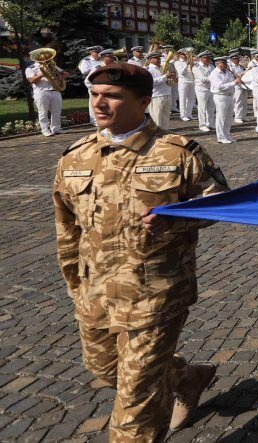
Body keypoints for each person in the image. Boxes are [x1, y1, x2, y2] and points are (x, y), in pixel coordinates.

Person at [54, 63, 226, 440]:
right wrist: (75, 285)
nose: (100, 103)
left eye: (112, 96)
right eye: (95, 94)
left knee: (135, 401)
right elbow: (67, 229)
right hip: (95, 293)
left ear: (144, 101)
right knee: (105, 369)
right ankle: (186, 375)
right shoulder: (75, 157)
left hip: (155, 293)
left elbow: (219, 203)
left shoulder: (178, 152)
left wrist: (176, 221)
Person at [25, 53, 70, 136]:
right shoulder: (31, 68)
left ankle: (56, 129)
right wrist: (43, 73)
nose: (45, 59)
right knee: (43, 112)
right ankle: (45, 130)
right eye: (43, 57)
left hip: (55, 90)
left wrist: (59, 75)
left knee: (57, 111)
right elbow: (31, 80)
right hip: (42, 92)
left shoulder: (52, 66)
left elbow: (66, 74)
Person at [208, 56, 240, 144]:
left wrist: (237, 80)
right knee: (221, 117)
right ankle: (221, 137)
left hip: (229, 96)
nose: (226, 65)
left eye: (226, 63)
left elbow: (230, 83)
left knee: (228, 117)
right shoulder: (214, 74)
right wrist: (234, 82)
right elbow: (220, 86)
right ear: (218, 64)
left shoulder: (227, 72)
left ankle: (227, 135)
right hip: (220, 96)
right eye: (224, 63)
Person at [144, 50, 174, 130]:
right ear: (150, 59)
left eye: (159, 58)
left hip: (167, 94)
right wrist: (165, 77)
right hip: (157, 96)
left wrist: (171, 78)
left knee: (165, 119)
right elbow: (151, 82)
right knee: (156, 119)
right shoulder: (148, 69)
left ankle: (164, 134)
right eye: (156, 58)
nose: (159, 59)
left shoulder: (162, 67)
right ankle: (155, 136)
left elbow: (166, 80)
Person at [78, 46, 103, 125]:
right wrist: (95, 67)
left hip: (102, 82)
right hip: (92, 82)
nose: (98, 54)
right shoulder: (86, 60)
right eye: (96, 52)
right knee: (93, 101)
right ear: (90, 52)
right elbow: (83, 71)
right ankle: (94, 121)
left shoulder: (102, 60)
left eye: (99, 52)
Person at [192, 51, 214, 133]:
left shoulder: (211, 66)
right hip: (202, 89)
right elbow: (203, 79)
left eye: (208, 57)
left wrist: (212, 78)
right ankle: (202, 125)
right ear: (201, 58)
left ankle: (210, 123)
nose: (208, 59)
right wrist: (214, 78)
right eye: (206, 58)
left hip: (211, 88)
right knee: (202, 107)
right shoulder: (197, 67)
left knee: (211, 107)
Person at [174, 49, 196, 122]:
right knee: (182, 98)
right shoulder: (177, 62)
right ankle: (183, 115)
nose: (185, 55)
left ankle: (189, 114)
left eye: (187, 54)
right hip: (183, 82)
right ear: (180, 55)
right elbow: (181, 73)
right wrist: (187, 64)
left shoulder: (191, 62)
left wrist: (193, 63)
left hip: (192, 81)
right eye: (184, 54)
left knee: (191, 98)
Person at [229, 52, 248, 123]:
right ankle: (237, 117)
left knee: (244, 101)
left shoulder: (240, 66)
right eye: (235, 59)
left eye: (237, 58)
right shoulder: (231, 68)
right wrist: (239, 76)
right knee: (238, 102)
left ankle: (243, 116)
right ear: (232, 59)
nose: (237, 60)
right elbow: (232, 77)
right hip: (237, 86)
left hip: (243, 85)